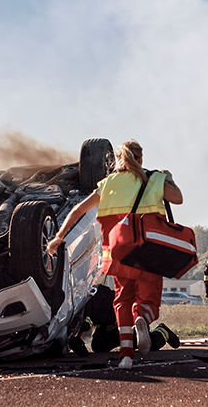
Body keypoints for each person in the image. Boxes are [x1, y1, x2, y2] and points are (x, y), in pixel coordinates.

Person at [46, 140, 183, 369]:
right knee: (148, 299)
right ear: (140, 159)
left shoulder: (107, 184)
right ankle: (143, 317)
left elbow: (78, 210)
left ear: (118, 161)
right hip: (148, 251)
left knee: (122, 301)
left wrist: (58, 237)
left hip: (118, 253)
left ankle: (126, 356)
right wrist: (168, 178)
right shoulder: (154, 179)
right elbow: (177, 198)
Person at [67, 285, 180, 357]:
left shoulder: (95, 297)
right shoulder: (80, 312)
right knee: (99, 346)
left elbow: (99, 292)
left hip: (129, 318)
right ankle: (124, 340)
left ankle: (163, 332)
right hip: (111, 325)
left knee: (146, 344)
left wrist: (86, 325)